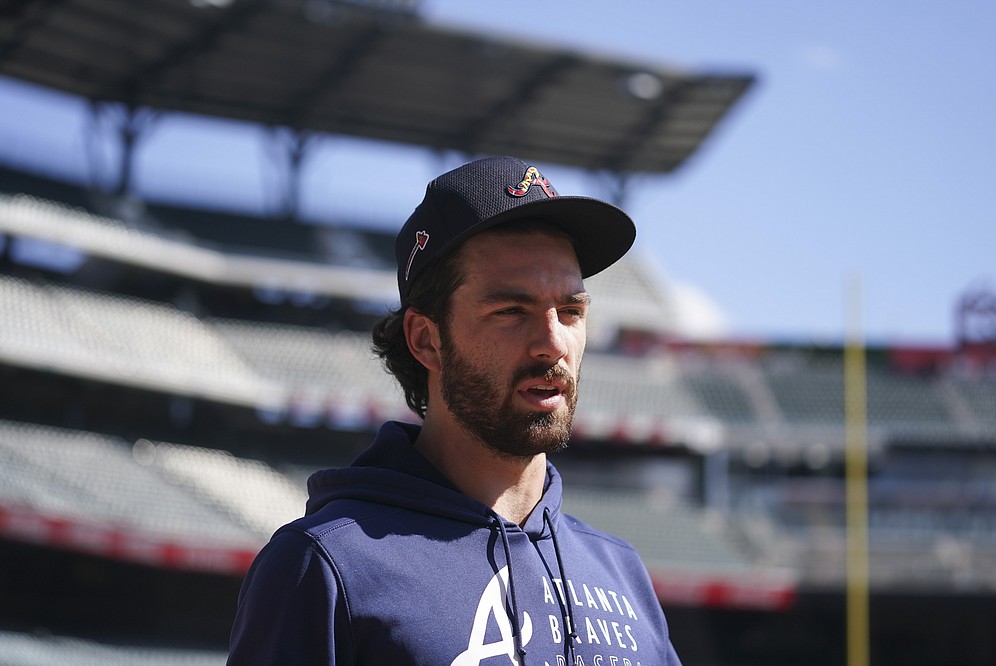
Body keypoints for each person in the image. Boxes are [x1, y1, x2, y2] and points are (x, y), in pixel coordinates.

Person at [228, 155, 683, 665]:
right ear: (426, 339)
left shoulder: (621, 572)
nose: (553, 343)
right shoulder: (325, 565)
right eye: (511, 311)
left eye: (571, 311)